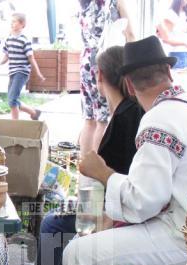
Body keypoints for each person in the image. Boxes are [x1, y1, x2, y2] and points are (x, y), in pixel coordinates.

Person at [62, 36, 187, 265]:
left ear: (128, 84)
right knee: (93, 244)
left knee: (78, 256)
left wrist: (103, 173)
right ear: (169, 72)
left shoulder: (158, 119)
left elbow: (143, 201)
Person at [10, 45, 144, 265]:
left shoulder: (126, 116)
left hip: (117, 211)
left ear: (100, 76)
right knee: (57, 223)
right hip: (116, 204)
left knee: (51, 225)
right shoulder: (128, 111)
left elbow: (116, 174)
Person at [78, 0, 135, 154]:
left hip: (85, 60)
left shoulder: (85, 3)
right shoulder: (116, 2)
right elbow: (130, 34)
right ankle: (97, 168)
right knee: (102, 121)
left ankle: (85, 168)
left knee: (89, 120)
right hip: (106, 59)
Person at [0, 12, 45, 120]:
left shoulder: (24, 40)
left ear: (22, 24)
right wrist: (0, 63)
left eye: (14, 21)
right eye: (11, 21)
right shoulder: (8, 39)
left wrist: (38, 73)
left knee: (12, 99)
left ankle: (15, 125)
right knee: (11, 100)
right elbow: (7, 55)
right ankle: (33, 112)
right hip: (12, 72)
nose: (12, 24)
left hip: (22, 72)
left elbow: (31, 58)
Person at [156, 0, 187, 69]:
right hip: (179, 53)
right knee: (181, 79)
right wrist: (184, 43)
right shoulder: (171, 14)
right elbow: (165, 39)